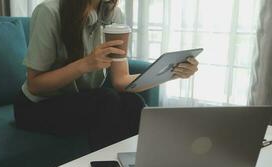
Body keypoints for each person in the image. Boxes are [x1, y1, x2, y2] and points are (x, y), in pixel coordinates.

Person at [13, 0, 199, 151]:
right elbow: (35, 85)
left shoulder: (114, 15)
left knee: (131, 102)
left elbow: (121, 81)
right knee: (106, 99)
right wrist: (84, 65)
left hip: (77, 100)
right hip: (35, 106)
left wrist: (171, 72)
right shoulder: (49, 11)